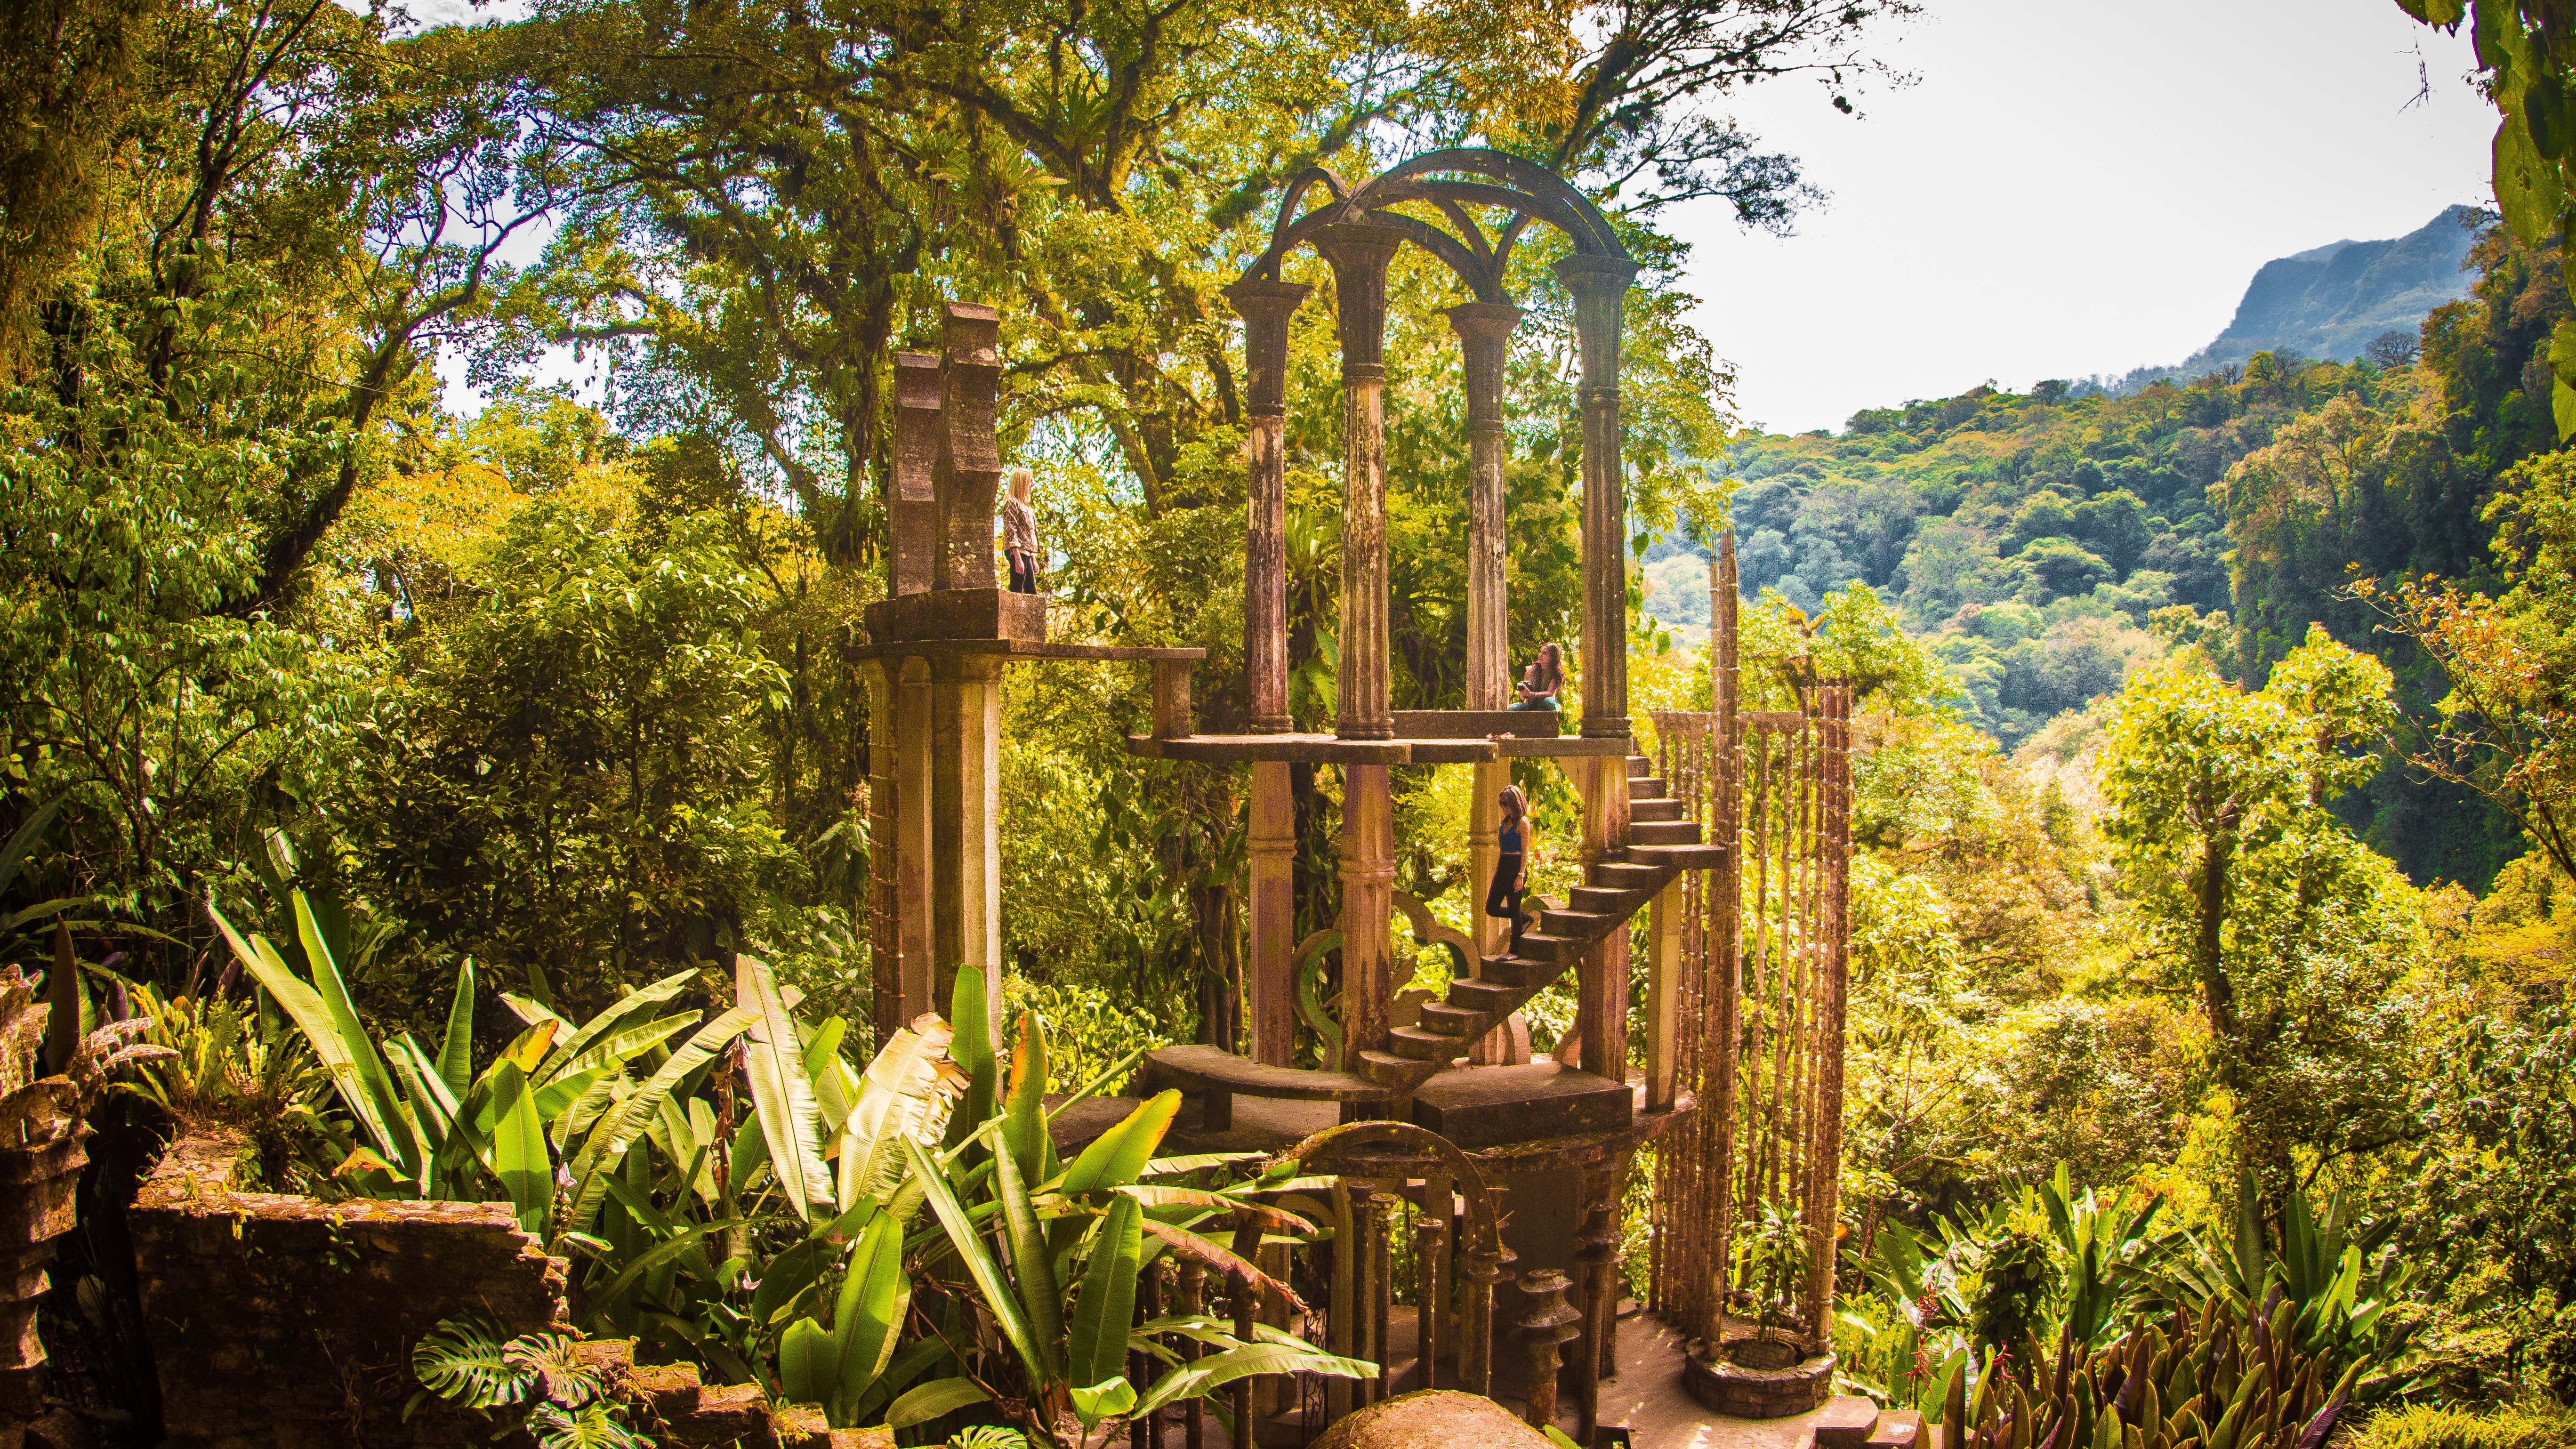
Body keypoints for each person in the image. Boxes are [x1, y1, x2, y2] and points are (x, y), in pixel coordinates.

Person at [1485, 785, 1533, 947]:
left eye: (1506, 803)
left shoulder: (1523, 823)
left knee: (1514, 910)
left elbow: (1526, 850)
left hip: (1516, 866)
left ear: (1516, 802)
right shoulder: (1504, 822)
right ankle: (1525, 918)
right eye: (1501, 804)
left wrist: (1521, 875)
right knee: (1491, 908)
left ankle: (1515, 950)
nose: (1503, 807)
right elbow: (1502, 850)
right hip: (1503, 866)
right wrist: (1497, 871)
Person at [1001, 466, 1041, 594]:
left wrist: (1033, 557)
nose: (1032, 485)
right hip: (1017, 551)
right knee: (1017, 589)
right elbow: (1011, 530)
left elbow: (1028, 533)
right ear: (1022, 483)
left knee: (1031, 591)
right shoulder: (1011, 503)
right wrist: (1017, 557)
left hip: (1026, 552)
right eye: (1030, 481)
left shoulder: (1026, 505)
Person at [1509, 642, 1563, 710]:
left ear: (1552, 657)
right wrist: (1523, 691)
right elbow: (1523, 697)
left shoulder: (1555, 673)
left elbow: (1550, 693)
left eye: (1544, 653)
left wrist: (1533, 694)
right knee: (1513, 708)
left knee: (1549, 702)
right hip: (1530, 704)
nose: (1540, 655)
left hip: (1545, 704)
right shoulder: (1530, 670)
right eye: (1541, 652)